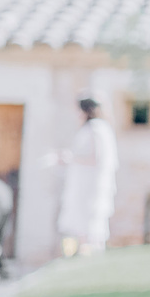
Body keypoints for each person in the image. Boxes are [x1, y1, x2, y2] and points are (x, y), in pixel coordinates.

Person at [50, 96, 119, 257]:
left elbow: (96, 158)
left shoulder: (95, 129)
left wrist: (70, 158)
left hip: (88, 185)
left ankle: (88, 253)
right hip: (84, 182)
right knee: (83, 223)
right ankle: (83, 252)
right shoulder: (96, 128)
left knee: (88, 221)